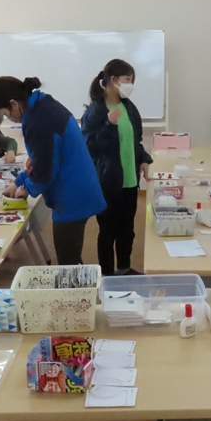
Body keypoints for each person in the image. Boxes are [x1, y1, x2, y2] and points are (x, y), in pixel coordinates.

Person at [0, 76, 106, 265]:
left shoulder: (39, 120)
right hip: (77, 187)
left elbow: (45, 172)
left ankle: (82, 286)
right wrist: (19, 182)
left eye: (6, 114)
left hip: (72, 195)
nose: (9, 119)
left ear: (13, 104)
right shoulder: (42, 105)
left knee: (69, 264)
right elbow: (41, 161)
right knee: (71, 260)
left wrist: (25, 189)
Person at [81, 59, 153, 276]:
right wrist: (108, 126)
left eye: (132, 80)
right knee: (107, 231)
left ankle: (124, 268)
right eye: (127, 79)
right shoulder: (96, 111)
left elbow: (135, 141)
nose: (130, 84)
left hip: (130, 179)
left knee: (127, 230)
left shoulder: (129, 107)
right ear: (113, 80)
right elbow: (89, 147)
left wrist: (144, 159)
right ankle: (107, 274)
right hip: (107, 182)